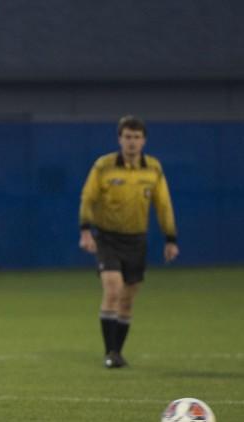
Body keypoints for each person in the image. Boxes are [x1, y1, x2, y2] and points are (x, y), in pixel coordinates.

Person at [78, 115, 179, 369]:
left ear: (144, 140)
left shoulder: (153, 168)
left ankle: (118, 352)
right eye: (127, 137)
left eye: (136, 137)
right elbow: (88, 198)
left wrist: (170, 238)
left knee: (128, 299)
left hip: (136, 241)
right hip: (107, 238)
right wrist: (85, 231)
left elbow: (163, 204)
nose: (131, 142)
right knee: (113, 289)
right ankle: (109, 352)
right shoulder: (104, 166)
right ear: (119, 139)